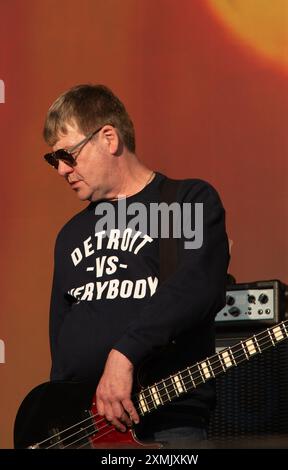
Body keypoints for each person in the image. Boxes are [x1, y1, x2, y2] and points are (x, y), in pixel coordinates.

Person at [43, 84, 229, 448]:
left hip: (165, 427)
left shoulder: (185, 203)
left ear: (109, 138)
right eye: (53, 160)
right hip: (87, 434)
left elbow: (199, 286)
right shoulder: (70, 235)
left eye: (67, 155)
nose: (62, 170)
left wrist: (124, 352)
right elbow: (61, 336)